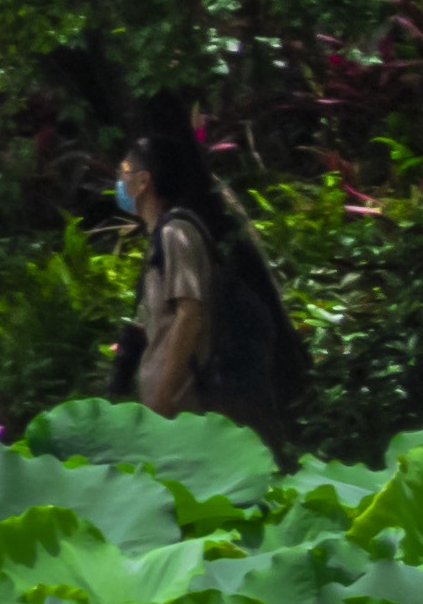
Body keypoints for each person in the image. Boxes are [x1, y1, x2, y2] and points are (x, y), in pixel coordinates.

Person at [119, 129, 300, 443]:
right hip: (169, 409)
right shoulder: (162, 236)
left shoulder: (176, 234)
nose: (120, 181)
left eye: (125, 172)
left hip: (182, 405)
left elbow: (189, 314)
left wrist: (164, 394)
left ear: (144, 181)